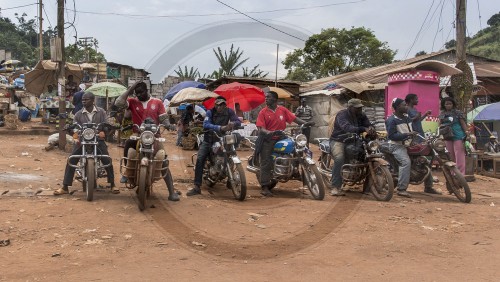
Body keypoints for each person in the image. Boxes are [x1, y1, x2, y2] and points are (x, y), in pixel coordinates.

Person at [114, 80, 179, 201]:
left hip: (154, 135)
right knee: (128, 143)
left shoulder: (157, 102)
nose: (138, 95)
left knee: (163, 159)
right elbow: (118, 103)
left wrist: (169, 125)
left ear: (147, 90)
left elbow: (163, 118)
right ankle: (127, 173)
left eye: (141, 92)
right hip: (138, 134)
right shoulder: (133, 102)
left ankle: (171, 192)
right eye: (136, 93)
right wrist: (130, 89)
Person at [53, 92, 117, 195]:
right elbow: (74, 126)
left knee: (106, 158)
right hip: (82, 140)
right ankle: (65, 187)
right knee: (72, 159)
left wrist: (104, 131)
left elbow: (107, 124)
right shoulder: (78, 114)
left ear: (92, 101)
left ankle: (113, 184)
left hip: (97, 140)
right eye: (82, 100)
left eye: (86, 99)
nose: (83, 101)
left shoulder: (101, 112)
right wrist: (74, 132)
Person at [255, 90, 314, 197]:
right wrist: (269, 132)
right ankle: (264, 187)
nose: (266, 99)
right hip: (268, 139)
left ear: (275, 99)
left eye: (268, 97)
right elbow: (260, 129)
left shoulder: (282, 109)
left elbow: (294, 119)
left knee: (297, 148)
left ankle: (295, 171)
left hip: (281, 136)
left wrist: (306, 124)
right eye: (266, 97)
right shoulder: (263, 112)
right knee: (266, 161)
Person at [186, 96, 241, 196]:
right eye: (218, 105)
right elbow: (206, 124)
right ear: (215, 105)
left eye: (223, 105)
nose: (220, 107)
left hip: (222, 139)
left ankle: (230, 178)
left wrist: (233, 123)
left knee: (231, 153)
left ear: (225, 105)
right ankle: (197, 186)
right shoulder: (210, 112)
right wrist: (220, 127)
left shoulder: (229, 111)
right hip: (209, 139)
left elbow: (238, 121)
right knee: (200, 158)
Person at [329, 98, 374, 196]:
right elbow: (347, 127)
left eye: (360, 108)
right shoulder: (342, 115)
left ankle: (368, 188)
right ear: (350, 107)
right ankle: (335, 187)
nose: (359, 110)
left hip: (354, 140)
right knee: (339, 159)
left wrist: (371, 128)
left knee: (368, 156)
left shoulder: (361, 115)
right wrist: (363, 129)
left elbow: (368, 124)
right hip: (338, 140)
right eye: (357, 108)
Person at [405, 93, 442, 194]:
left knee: (427, 159)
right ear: (411, 100)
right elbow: (409, 121)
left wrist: (425, 115)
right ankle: (425, 184)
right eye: (416, 99)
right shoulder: (407, 109)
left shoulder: (414, 109)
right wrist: (416, 117)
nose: (418, 100)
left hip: (420, 135)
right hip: (414, 137)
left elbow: (418, 121)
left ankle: (428, 185)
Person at [385, 98, 418, 198]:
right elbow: (391, 136)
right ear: (398, 107)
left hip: (408, 144)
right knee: (405, 162)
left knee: (423, 160)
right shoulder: (391, 120)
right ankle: (401, 189)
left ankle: (429, 186)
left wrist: (413, 138)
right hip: (396, 146)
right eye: (404, 105)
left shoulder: (406, 117)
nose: (406, 106)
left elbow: (412, 130)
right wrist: (407, 134)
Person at [438, 97, 468, 174]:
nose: (448, 105)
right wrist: (439, 134)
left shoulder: (458, 113)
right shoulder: (442, 114)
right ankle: (452, 173)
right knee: (450, 155)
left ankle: (460, 174)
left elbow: (463, 123)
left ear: (453, 104)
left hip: (458, 135)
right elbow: (439, 125)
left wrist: (467, 133)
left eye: (450, 104)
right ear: (443, 105)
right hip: (447, 136)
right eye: (446, 104)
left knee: (459, 154)